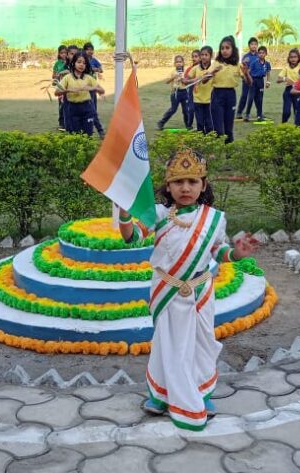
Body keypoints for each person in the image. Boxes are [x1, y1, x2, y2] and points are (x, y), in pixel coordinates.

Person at [117, 148, 259, 431]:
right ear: (168, 186)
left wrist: (237, 254)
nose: (185, 188)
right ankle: (161, 395)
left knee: (200, 343)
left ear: (203, 185)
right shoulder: (158, 214)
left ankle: (200, 394)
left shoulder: (214, 218)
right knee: (167, 344)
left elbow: (217, 251)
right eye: (178, 182)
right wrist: (123, 214)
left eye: (192, 182)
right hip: (167, 290)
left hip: (200, 291)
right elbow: (131, 238)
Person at [55, 53, 104, 135]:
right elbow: (57, 92)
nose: (81, 65)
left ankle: (99, 131)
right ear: (73, 63)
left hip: (87, 107)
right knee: (75, 134)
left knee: (88, 134)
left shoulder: (88, 78)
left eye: (84, 63)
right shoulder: (67, 78)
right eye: (79, 62)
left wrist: (92, 88)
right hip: (72, 108)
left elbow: (101, 90)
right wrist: (68, 90)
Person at [210, 36, 242, 143]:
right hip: (217, 95)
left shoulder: (237, 65)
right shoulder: (216, 63)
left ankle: (229, 151)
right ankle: (216, 151)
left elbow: (249, 82)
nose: (224, 50)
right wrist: (213, 72)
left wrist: (246, 73)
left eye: (227, 48)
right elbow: (204, 80)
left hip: (230, 96)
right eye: (222, 48)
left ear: (233, 49)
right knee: (218, 130)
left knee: (229, 130)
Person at [185, 46, 216, 134]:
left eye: (206, 55)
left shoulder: (214, 68)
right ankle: (201, 139)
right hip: (197, 100)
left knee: (209, 124)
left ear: (211, 56)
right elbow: (187, 80)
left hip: (210, 101)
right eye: (202, 55)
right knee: (200, 123)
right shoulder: (195, 68)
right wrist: (193, 80)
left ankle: (209, 139)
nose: (203, 57)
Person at [157, 55, 192, 131]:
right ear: (174, 63)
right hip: (175, 93)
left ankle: (188, 125)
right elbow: (166, 81)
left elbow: (189, 80)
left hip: (185, 93)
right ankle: (161, 122)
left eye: (180, 62)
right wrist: (174, 77)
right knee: (173, 109)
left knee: (186, 110)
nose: (179, 63)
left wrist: (184, 79)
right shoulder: (173, 72)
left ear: (183, 63)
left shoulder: (186, 72)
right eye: (177, 62)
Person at [244, 45, 271, 122]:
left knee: (260, 99)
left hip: (261, 81)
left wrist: (268, 81)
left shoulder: (267, 64)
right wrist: (248, 79)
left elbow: (268, 72)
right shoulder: (254, 63)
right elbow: (248, 72)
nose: (261, 54)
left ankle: (259, 115)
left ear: (266, 54)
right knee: (251, 98)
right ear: (258, 54)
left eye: (263, 53)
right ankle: (247, 115)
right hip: (253, 81)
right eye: (260, 53)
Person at [277, 48, 300, 124]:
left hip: (298, 92)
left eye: (295, 57)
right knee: (286, 112)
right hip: (288, 91)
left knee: (297, 111)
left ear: (298, 58)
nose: (293, 59)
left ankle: (298, 127)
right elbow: (278, 80)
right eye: (291, 57)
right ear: (289, 58)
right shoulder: (286, 68)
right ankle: (283, 125)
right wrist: (285, 79)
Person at [237, 37, 260, 121]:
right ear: (249, 46)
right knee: (244, 95)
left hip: (256, 80)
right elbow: (243, 68)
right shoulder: (246, 57)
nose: (254, 46)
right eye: (252, 44)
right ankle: (239, 112)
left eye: (255, 44)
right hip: (247, 80)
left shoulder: (259, 56)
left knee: (257, 97)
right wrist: (244, 76)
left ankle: (259, 113)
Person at [53, 45, 69, 130]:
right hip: (60, 87)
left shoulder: (70, 62)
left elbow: (70, 71)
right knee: (61, 105)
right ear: (59, 54)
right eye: (62, 53)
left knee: (69, 105)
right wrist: (55, 77)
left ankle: (69, 123)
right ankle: (62, 123)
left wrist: (61, 73)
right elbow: (53, 75)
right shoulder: (57, 63)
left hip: (69, 87)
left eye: (65, 53)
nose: (64, 54)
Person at [184, 49, 200, 129]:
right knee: (191, 109)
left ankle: (200, 127)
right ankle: (189, 126)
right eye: (193, 57)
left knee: (199, 110)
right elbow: (185, 81)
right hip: (191, 92)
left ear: (200, 57)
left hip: (201, 92)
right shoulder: (189, 69)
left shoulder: (203, 68)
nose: (194, 58)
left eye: (196, 56)